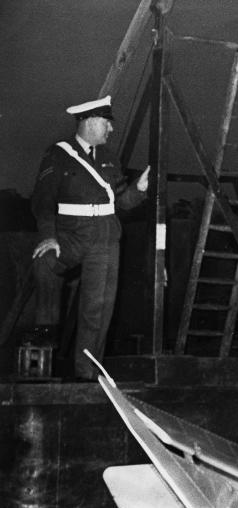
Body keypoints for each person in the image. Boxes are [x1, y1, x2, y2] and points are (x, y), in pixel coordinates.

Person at [30, 95, 150, 380]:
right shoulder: (58, 154)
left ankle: (87, 374)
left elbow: (121, 202)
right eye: (106, 123)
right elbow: (42, 201)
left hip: (105, 237)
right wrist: (49, 236)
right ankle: (42, 344)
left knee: (98, 308)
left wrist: (140, 188)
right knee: (45, 263)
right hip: (71, 234)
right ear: (90, 122)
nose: (110, 129)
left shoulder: (110, 158)